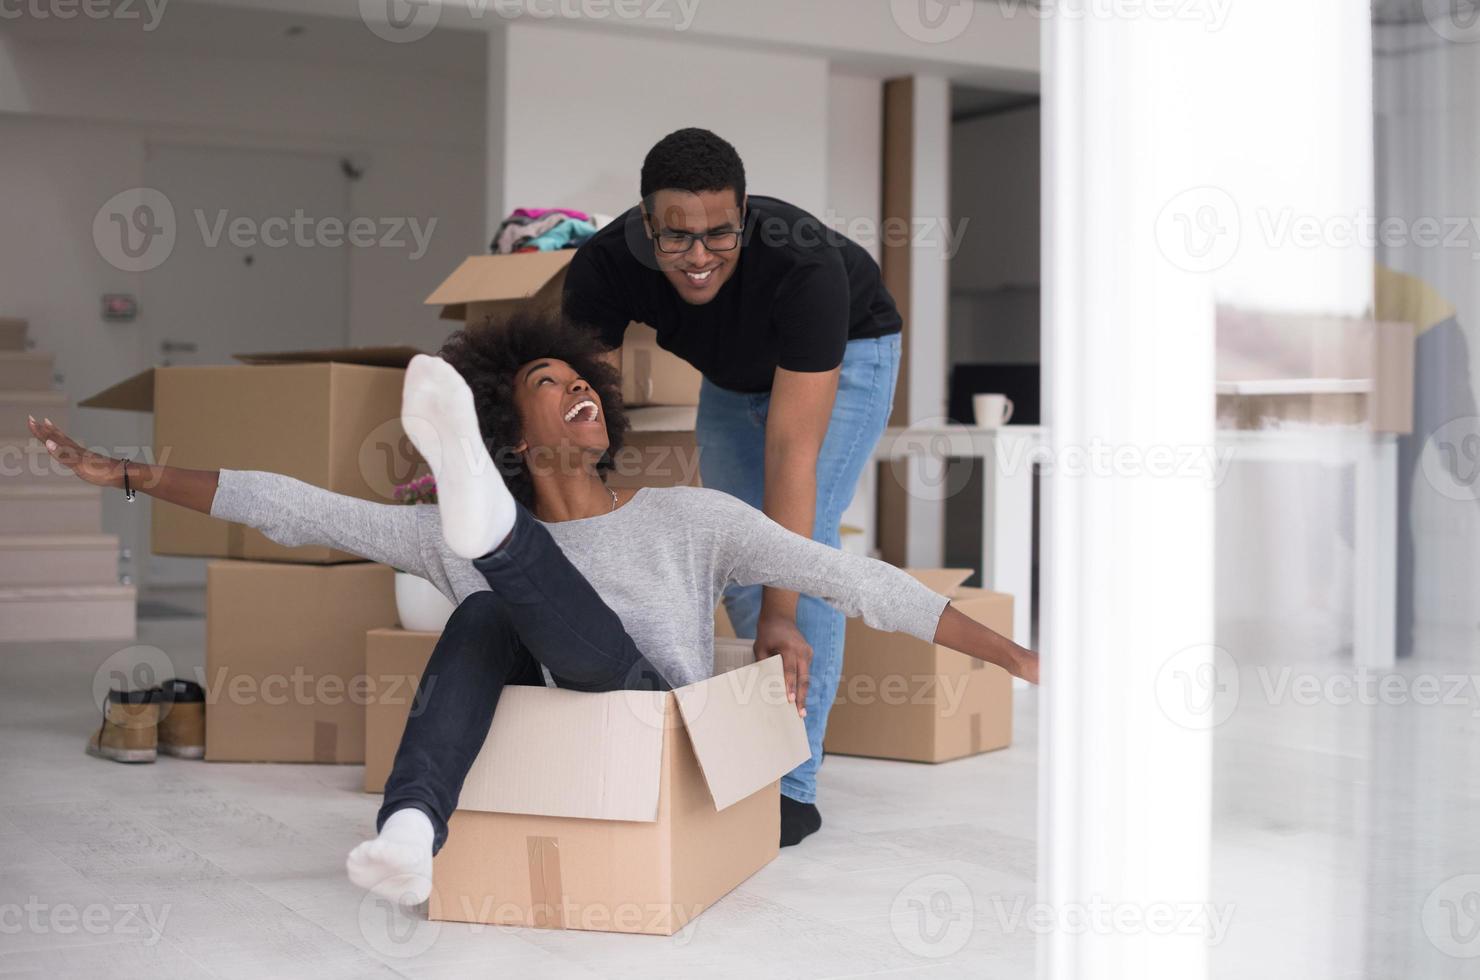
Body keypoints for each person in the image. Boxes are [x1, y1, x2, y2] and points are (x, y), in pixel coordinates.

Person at [29, 310, 1037, 907]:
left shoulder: (686, 516)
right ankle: (414, 832)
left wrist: (1013, 653)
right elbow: (290, 507)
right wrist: (123, 472)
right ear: (514, 432)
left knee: (491, 576)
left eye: (583, 382)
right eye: (549, 388)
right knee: (483, 613)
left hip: (652, 726)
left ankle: (496, 537)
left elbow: (849, 577)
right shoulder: (442, 537)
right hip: (540, 704)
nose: (579, 392)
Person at [563, 128, 904, 843]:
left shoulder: (804, 266)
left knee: (796, 553)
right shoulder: (603, 268)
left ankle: (791, 786)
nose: (697, 259)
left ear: (744, 215)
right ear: (645, 224)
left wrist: (781, 615)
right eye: (676, 238)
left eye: (720, 235)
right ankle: (761, 746)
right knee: (734, 555)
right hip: (733, 373)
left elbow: (791, 453)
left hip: (849, 351)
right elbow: (575, 411)